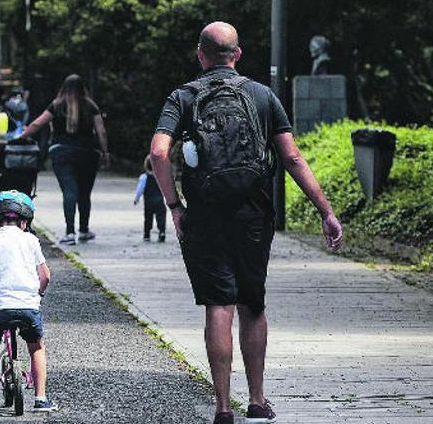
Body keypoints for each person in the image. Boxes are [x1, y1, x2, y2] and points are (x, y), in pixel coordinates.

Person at [150, 21, 343, 424]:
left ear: (201, 55)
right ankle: (257, 401)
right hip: (253, 214)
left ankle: (223, 407)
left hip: (203, 216)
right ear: (237, 55)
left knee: (218, 305)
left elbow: (158, 153)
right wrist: (325, 211)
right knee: (252, 303)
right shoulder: (261, 95)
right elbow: (292, 158)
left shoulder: (183, 96)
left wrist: (174, 205)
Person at [0, 191, 58, 412]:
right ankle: (41, 399)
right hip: (27, 307)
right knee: (36, 348)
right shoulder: (31, 240)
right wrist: (38, 295)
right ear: (25, 222)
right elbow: (45, 276)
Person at [19, 74, 109, 245]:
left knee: (69, 191)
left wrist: (23, 136)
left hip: (62, 153)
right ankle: (83, 230)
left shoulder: (57, 105)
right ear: (83, 88)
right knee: (84, 193)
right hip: (88, 153)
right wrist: (105, 153)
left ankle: (69, 233)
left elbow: (38, 124)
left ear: (64, 87)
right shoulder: (90, 105)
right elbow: (101, 131)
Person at [134, 155, 166, 242]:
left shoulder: (144, 177)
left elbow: (140, 189)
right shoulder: (161, 176)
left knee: (148, 218)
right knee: (161, 217)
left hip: (148, 202)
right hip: (159, 201)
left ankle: (147, 234)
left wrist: (136, 199)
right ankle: (162, 232)